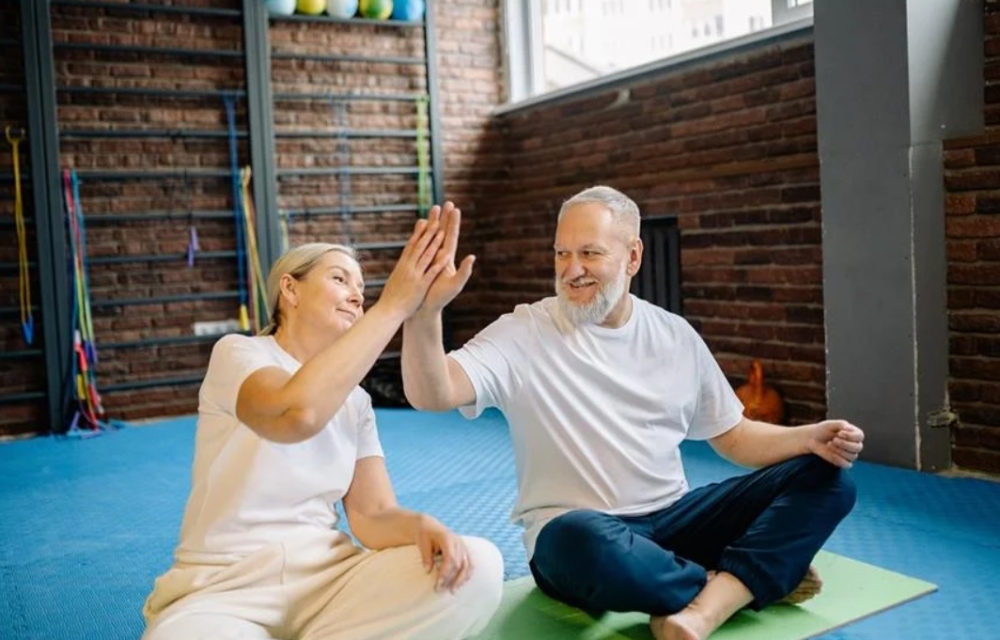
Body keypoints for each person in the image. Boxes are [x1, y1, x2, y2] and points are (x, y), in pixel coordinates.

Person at [401, 188, 863, 640]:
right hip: (580, 536)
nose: (572, 270)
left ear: (633, 257)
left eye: (589, 253)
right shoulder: (524, 332)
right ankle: (742, 583)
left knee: (828, 477)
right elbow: (433, 393)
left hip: (676, 520)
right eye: (562, 254)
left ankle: (706, 601)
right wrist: (424, 314)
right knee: (579, 537)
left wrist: (807, 438)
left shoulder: (674, 335)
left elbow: (735, 437)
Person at [142, 210, 504, 640]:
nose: (356, 296)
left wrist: (421, 525)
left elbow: (372, 515)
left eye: (362, 290)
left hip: (327, 583)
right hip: (225, 587)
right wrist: (393, 306)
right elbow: (295, 414)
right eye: (339, 279)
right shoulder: (239, 354)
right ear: (290, 289)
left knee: (477, 566)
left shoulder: (357, 402)